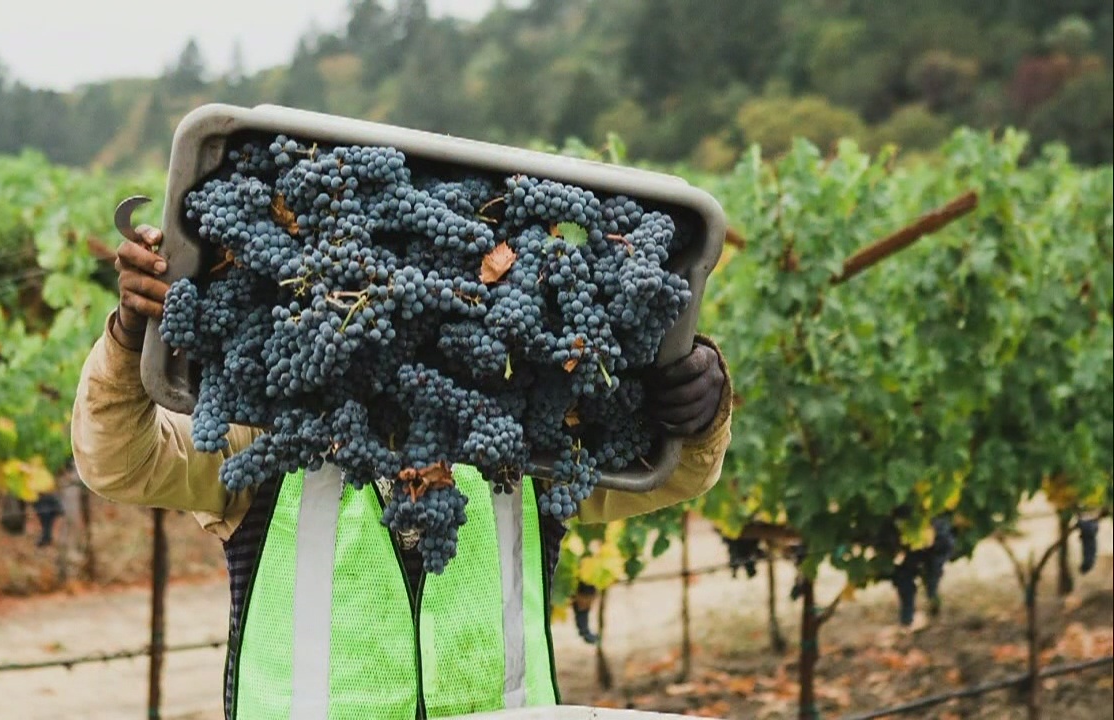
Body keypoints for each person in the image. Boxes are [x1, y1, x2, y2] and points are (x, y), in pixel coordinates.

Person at [72, 224, 734, 720]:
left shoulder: (519, 452)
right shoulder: (270, 444)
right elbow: (119, 462)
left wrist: (701, 413)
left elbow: (672, 476)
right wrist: (130, 340)